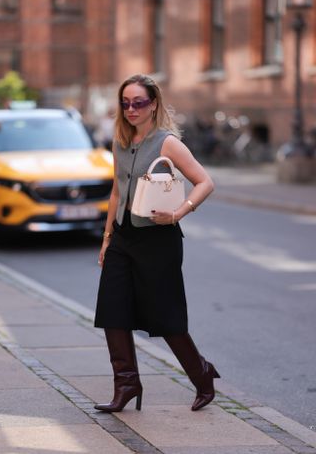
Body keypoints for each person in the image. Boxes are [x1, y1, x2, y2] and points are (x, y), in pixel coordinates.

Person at [94, 73, 220, 413]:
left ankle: (201, 374)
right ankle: (127, 383)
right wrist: (107, 238)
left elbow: (205, 182)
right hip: (123, 236)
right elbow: (117, 191)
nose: (131, 109)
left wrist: (179, 212)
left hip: (158, 240)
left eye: (138, 103)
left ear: (153, 105)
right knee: (112, 310)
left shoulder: (167, 143)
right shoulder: (120, 141)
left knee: (166, 316)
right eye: (125, 103)